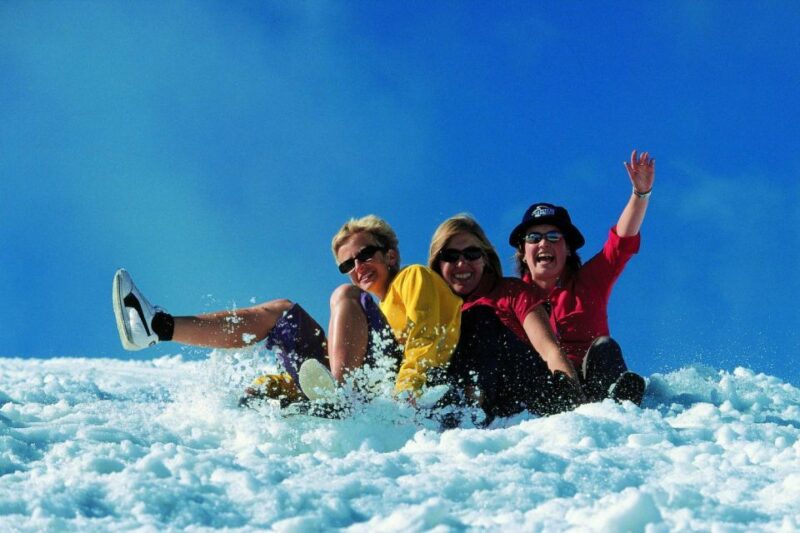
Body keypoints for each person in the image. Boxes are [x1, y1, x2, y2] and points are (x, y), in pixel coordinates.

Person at [112, 215, 461, 408]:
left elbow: (427, 338)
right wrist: (275, 388)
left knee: (344, 296)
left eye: (365, 254)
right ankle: (158, 327)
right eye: (348, 264)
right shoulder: (367, 316)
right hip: (359, 385)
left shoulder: (412, 278)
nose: (358, 266)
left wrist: (409, 394)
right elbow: (320, 369)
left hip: (395, 390)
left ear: (391, 256)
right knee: (280, 312)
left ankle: (340, 399)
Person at [507, 149, 653, 405]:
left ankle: (620, 402)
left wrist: (640, 194)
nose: (543, 244)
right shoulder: (510, 297)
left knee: (605, 348)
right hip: (546, 388)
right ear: (522, 252)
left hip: (593, 383)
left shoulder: (589, 282)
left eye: (553, 237)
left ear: (567, 249)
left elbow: (621, 244)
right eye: (534, 237)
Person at [428, 214, 584, 420]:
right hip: (460, 397)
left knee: (479, 316)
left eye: (472, 253)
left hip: (520, 391)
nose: (461, 263)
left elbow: (548, 349)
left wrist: (576, 405)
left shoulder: (510, 291)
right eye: (451, 256)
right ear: (438, 263)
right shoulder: (434, 311)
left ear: (484, 258)